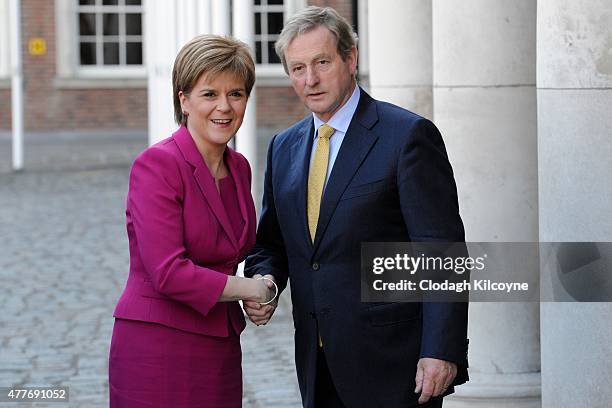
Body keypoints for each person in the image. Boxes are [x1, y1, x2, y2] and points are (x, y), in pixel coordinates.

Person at [243, 6, 468, 408]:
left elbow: (442, 252)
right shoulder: (283, 148)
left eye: (321, 63)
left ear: (351, 58)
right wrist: (267, 283)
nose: (309, 80)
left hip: (395, 364)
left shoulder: (407, 136)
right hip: (317, 361)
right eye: (297, 68)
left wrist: (441, 349)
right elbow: (272, 245)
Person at [108, 35, 276, 407]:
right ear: (183, 100)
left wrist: (265, 287)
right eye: (209, 94)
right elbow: (168, 272)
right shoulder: (158, 165)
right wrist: (249, 289)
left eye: (236, 94)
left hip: (219, 348)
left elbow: (242, 248)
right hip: (157, 347)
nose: (224, 107)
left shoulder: (240, 168)